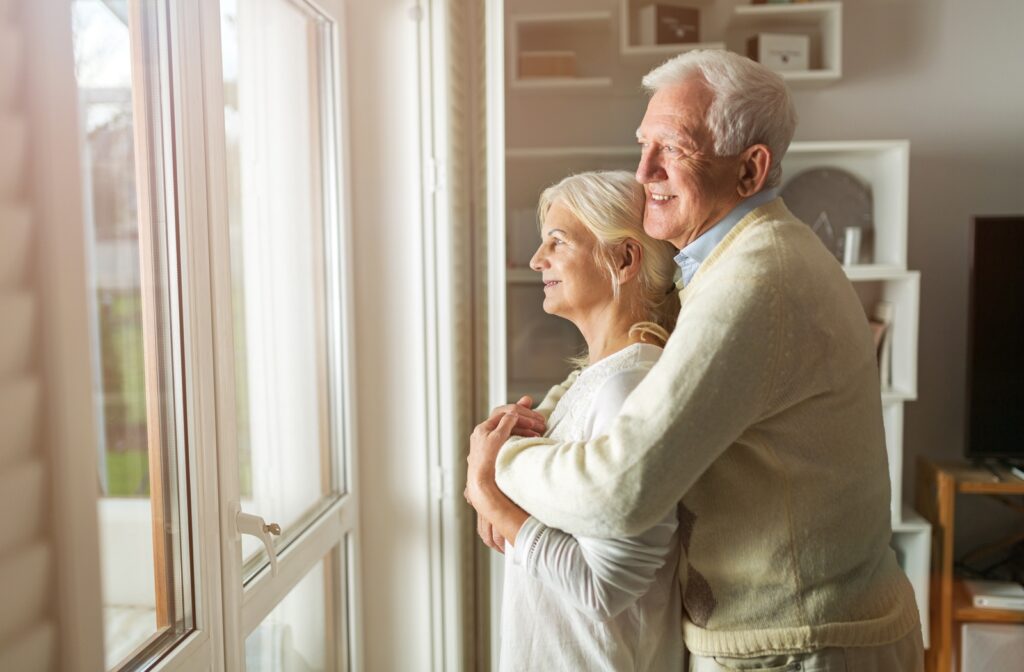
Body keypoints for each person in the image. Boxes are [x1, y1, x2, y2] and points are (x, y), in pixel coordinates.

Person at [468, 50, 924, 671]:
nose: (644, 171)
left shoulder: (757, 279)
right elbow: (635, 359)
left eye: (672, 149)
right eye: (642, 144)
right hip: (788, 639)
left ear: (749, 170)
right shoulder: (733, 263)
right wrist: (543, 416)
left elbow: (621, 490)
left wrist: (498, 470)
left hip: (801, 649)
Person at [465, 170, 685, 671]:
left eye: (557, 242)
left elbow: (602, 586)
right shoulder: (595, 382)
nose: (536, 260)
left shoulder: (630, 391)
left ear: (624, 259)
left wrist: (488, 494)